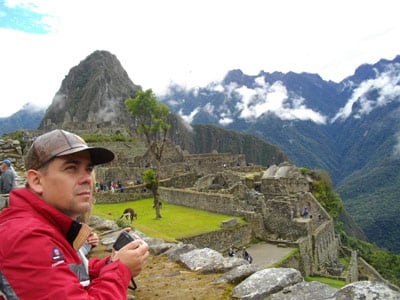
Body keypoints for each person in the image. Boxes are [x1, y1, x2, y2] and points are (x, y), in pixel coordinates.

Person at [0, 129, 149, 299]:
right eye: (71, 168)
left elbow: (70, 270)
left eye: (88, 169)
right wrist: (121, 270)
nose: (87, 178)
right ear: (36, 181)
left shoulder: (50, 229)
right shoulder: (25, 238)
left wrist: (111, 263)